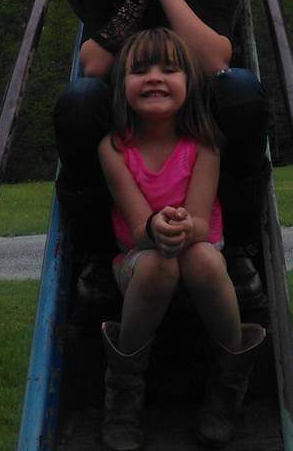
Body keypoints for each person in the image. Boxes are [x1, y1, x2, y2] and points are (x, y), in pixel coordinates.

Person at [55, 0, 268, 308]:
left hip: (195, 112)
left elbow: (216, 61)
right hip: (127, 115)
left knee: (242, 89)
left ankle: (240, 248)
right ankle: (96, 255)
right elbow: (93, 65)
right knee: (79, 99)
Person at [98, 28, 265, 451]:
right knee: (159, 263)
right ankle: (124, 392)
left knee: (201, 258)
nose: (154, 77)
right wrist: (157, 228)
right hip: (138, 257)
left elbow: (201, 222)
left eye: (169, 69)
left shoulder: (205, 144)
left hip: (199, 248)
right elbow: (138, 229)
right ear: (121, 86)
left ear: (190, 84)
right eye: (140, 70)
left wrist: (182, 226)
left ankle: (228, 384)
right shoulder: (113, 148)